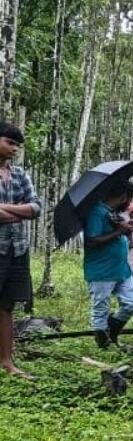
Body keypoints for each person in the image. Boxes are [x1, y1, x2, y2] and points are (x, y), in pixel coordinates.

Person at [0, 122, 41, 379]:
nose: (14, 149)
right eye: (10, 142)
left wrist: (4, 210)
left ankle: (7, 362)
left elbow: (35, 208)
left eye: (17, 145)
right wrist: (20, 212)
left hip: (17, 249)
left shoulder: (19, 174)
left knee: (6, 305)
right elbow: (27, 210)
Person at [83, 179, 133, 348]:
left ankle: (111, 332)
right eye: (129, 199)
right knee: (100, 308)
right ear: (123, 196)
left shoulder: (113, 213)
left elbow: (121, 236)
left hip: (122, 270)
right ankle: (103, 343)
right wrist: (119, 231)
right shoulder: (96, 212)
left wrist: (127, 230)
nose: (129, 204)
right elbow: (91, 240)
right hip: (102, 270)